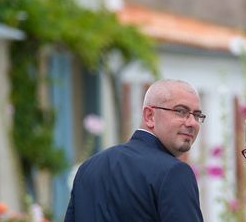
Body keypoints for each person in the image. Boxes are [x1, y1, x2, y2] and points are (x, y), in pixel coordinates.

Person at [65, 79, 205, 221]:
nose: (192, 122)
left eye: (197, 115)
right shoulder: (174, 172)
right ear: (149, 116)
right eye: (181, 111)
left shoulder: (88, 168)